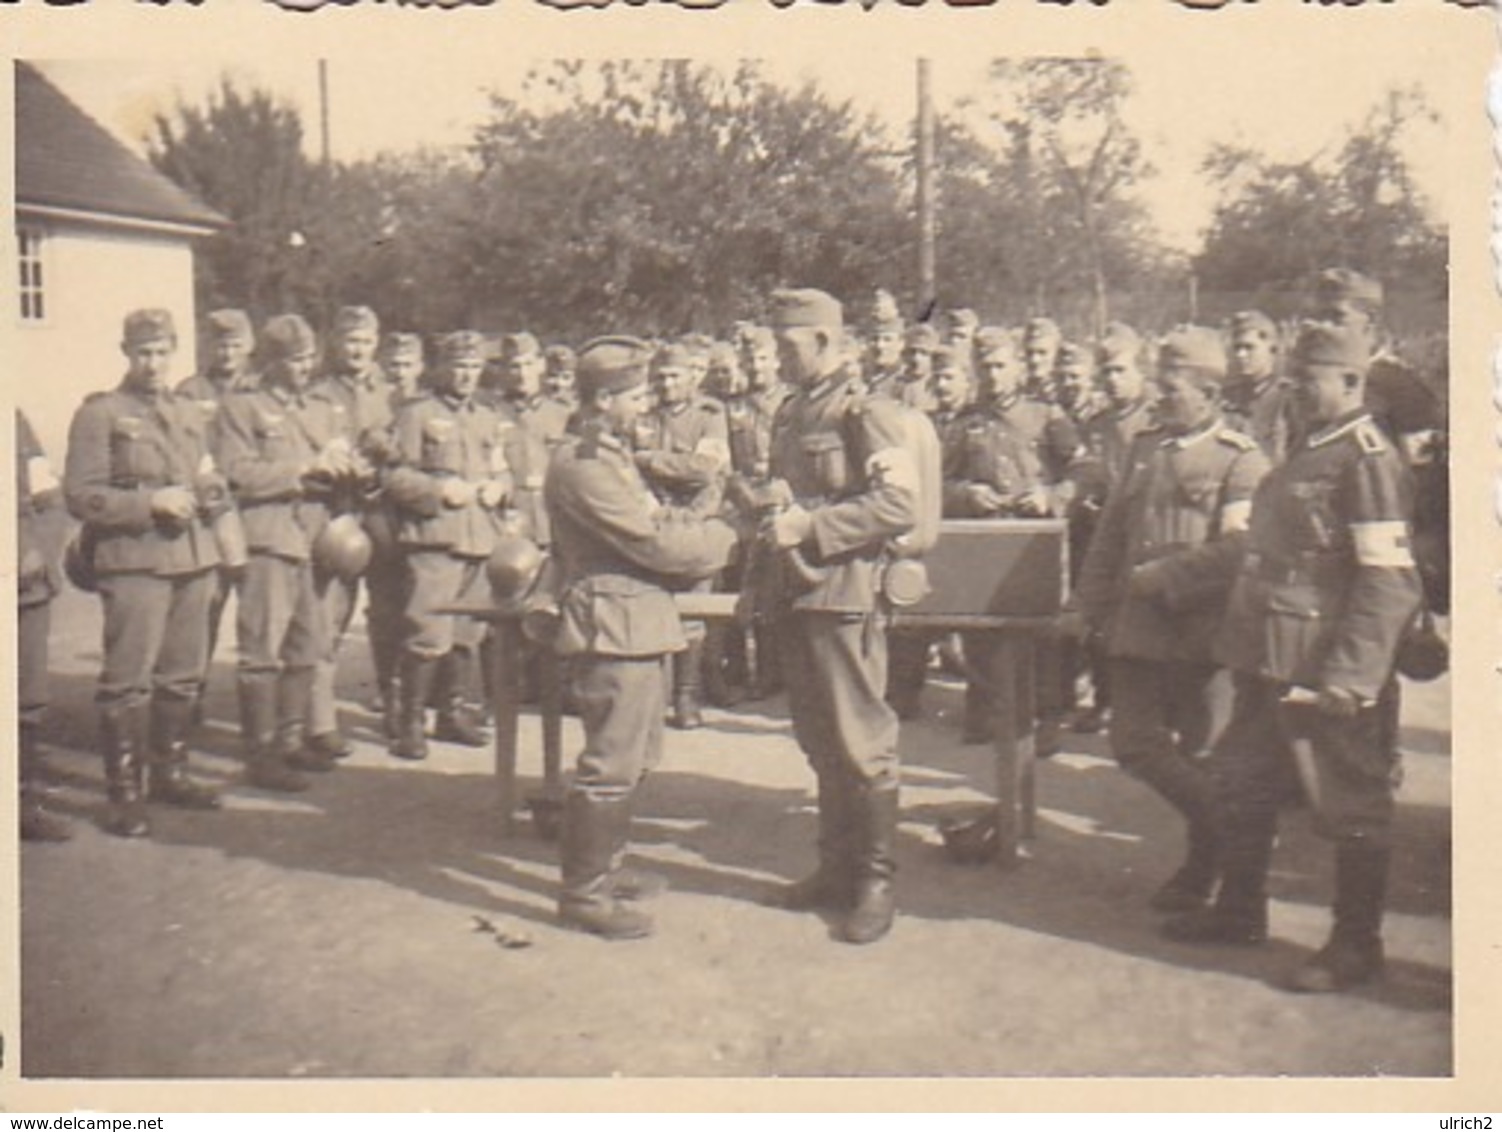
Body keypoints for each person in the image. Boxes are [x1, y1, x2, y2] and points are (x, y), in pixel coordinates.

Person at [1163, 321, 1422, 995]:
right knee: (1242, 782)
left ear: (1350, 381)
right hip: (1265, 656)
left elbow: (1388, 578)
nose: (1298, 393)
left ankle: (1355, 943)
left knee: (1350, 804)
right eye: (1295, 380)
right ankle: (1239, 911)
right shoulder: (1311, 444)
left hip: (1322, 666)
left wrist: (1353, 675)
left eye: (1310, 382)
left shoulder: (1367, 459)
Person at [544, 336, 738, 939]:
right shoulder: (583, 465)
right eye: (635, 395)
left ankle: (607, 867)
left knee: (636, 759)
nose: (645, 404)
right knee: (610, 764)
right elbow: (652, 542)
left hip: (638, 621)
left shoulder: (613, 455)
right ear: (603, 400)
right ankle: (585, 893)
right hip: (612, 627)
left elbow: (659, 522)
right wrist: (722, 537)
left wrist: (694, 529)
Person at [1071, 326, 1269, 912]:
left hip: (1203, 636)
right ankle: (1232, 834)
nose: (1159, 396)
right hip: (1137, 632)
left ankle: (1205, 867)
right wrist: (1086, 605)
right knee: (1133, 744)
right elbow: (1109, 535)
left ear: (1209, 393)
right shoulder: (1146, 447)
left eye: (1172, 386)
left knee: (1206, 753)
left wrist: (1167, 577)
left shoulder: (1241, 460)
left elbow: (1240, 548)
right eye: (1156, 383)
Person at [762, 288, 922, 945]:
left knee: (862, 743)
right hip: (798, 591)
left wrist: (811, 523)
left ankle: (875, 883)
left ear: (826, 342)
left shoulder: (869, 410)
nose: (777, 356)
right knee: (819, 738)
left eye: (788, 345)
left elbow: (898, 507)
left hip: (846, 592)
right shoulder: (793, 409)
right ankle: (834, 868)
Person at [64, 310, 226, 837]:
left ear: (174, 351)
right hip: (134, 561)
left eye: (161, 352)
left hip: (193, 559)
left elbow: (206, 473)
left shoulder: (188, 411)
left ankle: (170, 772)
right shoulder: (101, 414)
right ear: (127, 354)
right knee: (127, 683)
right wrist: (151, 501)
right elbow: (83, 495)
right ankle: (123, 794)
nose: (153, 363)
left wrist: (212, 491)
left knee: (182, 675)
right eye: (143, 353)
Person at [215, 313, 353, 791]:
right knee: (261, 651)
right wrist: (303, 468)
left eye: (311, 357)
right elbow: (236, 472)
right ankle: (262, 753)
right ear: (271, 362)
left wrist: (350, 467)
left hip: (314, 539)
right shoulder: (241, 406)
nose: (305, 367)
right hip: (268, 538)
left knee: (306, 647)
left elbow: (339, 456)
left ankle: (292, 740)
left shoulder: (322, 404)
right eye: (295, 360)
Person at [385, 331, 515, 760]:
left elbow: (503, 469)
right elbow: (393, 477)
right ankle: (411, 723)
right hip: (435, 536)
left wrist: (501, 487)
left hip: (480, 537)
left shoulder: (487, 414)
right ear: (440, 368)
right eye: (458, 366)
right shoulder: (416, 414)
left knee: (467, 633)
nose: (466, 375)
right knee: (427, 631)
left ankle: (452, 713)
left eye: (474, 367)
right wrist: (439, 491)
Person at [308, 305, 395, 759]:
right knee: (329, 617)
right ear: (335, 343)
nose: (357, 349)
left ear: (376, 341)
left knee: (390, 612)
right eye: (349, 340)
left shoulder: (394, 392)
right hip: (337, 513)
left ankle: (396, 706)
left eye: (365, 340)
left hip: (383, 511)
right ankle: (319, 721)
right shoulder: (318, 393)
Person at [632, 341, 731, 729]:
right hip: (650, 520)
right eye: (660, 376)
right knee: (651, 606)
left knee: (695, 610)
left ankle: (686, 695)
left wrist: (649, 460)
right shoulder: (642, 414)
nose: (667, 383)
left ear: (693, 377)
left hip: (695, 521)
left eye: (675, 375)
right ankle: (655, 694)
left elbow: (705, 469)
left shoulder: (710, 415)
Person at [177, 309, 259, 726]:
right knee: (204, 606)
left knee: (257, 611)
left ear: (250, 345)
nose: (227, 353)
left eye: (235, 344)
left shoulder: (263, 389)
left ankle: (258, 709)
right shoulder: (190, 391)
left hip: (255, 511)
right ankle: (191, 694)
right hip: (209, 515)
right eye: (219, 344)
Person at [17, 409, 72, 841]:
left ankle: (24, 806)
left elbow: (50, 501)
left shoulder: (13, 421)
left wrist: (37, 548)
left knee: (27, 697)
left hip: (23, 583)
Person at [1224, 310, 1296, 463]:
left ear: (1272, 349)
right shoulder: (1227, 399)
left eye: (1249, 347)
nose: (1241, 355)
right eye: (1237, 348)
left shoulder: (1289, 398)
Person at [1022, 317, 1062, 402]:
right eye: (1029, 353)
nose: (1034, 360)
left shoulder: (1066, 394)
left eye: (1042, 353)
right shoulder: (1019, 392)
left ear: (1057, 354)